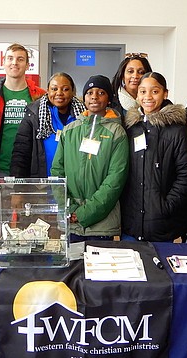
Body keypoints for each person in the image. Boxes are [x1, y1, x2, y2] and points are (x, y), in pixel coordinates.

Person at [121, 72, 187, 242]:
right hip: (130, 224)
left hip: (162, 225)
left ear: (165, 93)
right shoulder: (130, 127)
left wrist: (166, 206)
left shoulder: (177, 130)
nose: (147, 97)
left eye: (154, 91)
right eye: (142, 91)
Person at [51, 75, 129, 242]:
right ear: (83, 97)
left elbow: (115, 179)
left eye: (101, 92)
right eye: (90, 92)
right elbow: (57, 171)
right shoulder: (69, 130)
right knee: (72, 267)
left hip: (102, 224)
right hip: (70, 221)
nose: (94, 96)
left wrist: (84, 213)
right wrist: (70, 209)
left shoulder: (117, 132)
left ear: (108, 98)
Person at [0, 43, 46, 179]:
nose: (14, 63)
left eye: (20, 59)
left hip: (31, 169)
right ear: (3, 63)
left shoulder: (41, 96)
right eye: (10, 58)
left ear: (27, 65)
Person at [10, 72, 86, 178]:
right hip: (42, 184)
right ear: (48, 90)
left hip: (76, 183)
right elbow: (20, 154)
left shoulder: (85, 114)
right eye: (54, 89)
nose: (59, 93)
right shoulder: (33, 114)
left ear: (72, 92)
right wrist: (17, 187)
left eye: (65, 89)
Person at [110, 53, 152, 119]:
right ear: (122, 76)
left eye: (141, 72)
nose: (135, 76)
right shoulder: (110, 103)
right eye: (130, 71)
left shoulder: (154, 101)